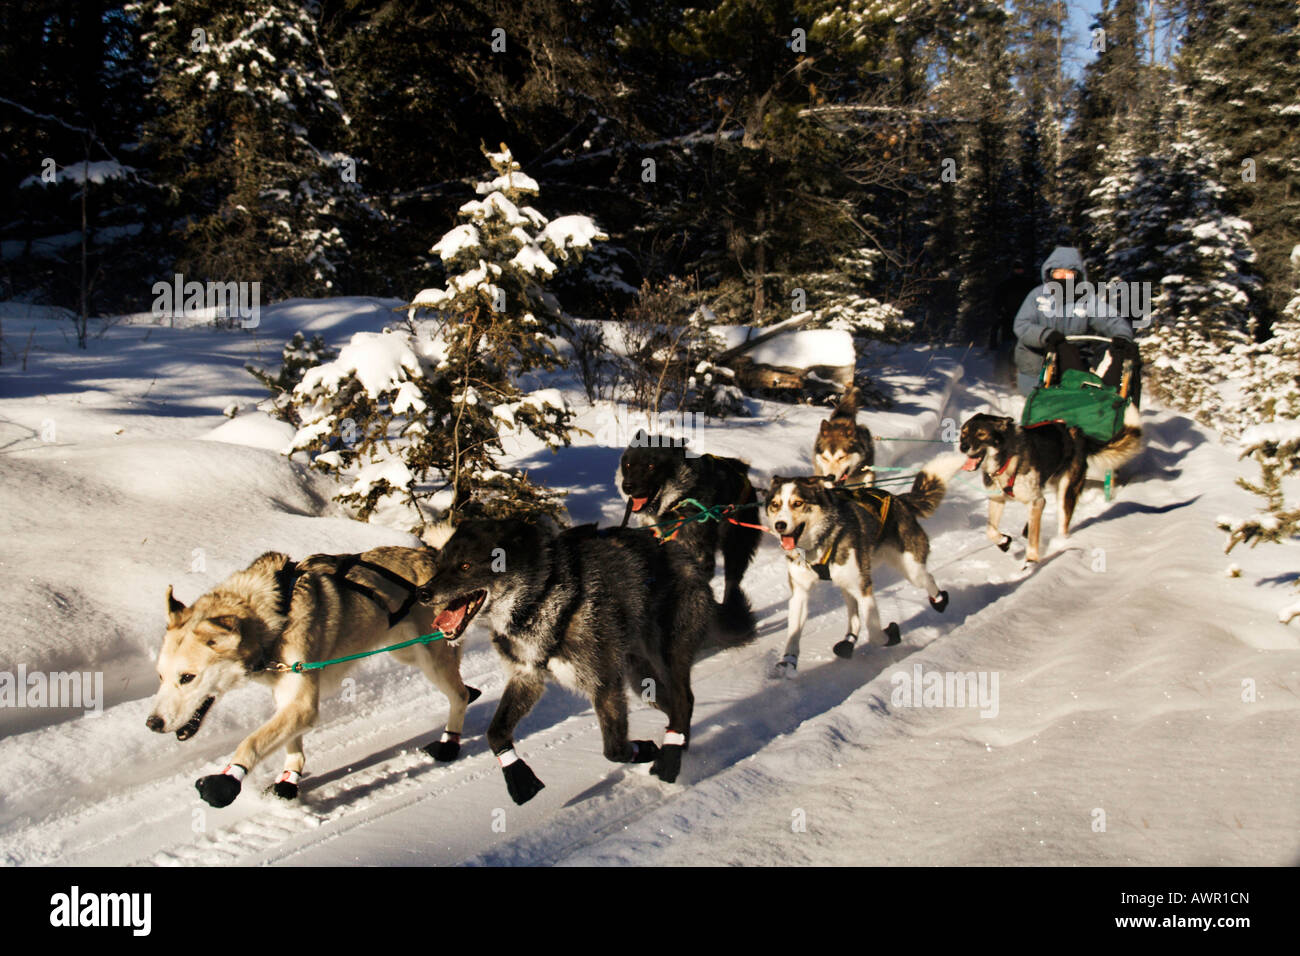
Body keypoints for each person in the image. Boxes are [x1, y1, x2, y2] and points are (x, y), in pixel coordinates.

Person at [1013, 246, 1137, 396]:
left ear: (1077, 275)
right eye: (1058, 273)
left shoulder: (1086, 299)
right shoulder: (1038, 296)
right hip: (1037, 360)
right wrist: (1046, 335)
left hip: (1074, 360)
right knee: (1042, 400)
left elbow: (1110, 319)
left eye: (1069, 274)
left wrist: (1122, 336)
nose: (1063, 278)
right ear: (1050, 273)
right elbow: (1021, 325)